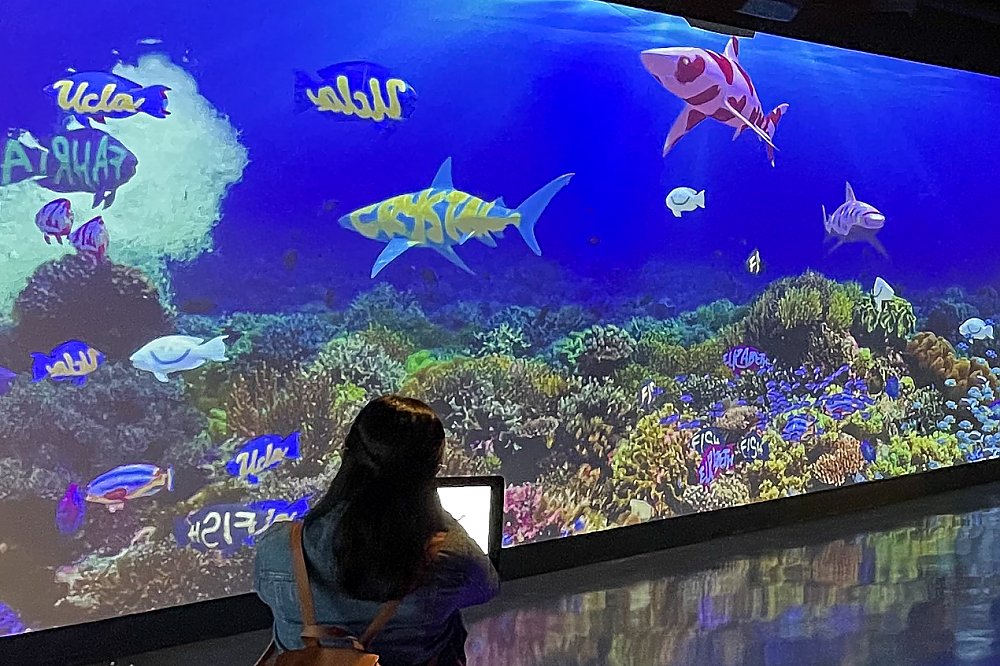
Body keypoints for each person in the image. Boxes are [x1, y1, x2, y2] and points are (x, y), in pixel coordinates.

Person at [254, 395, 499, 665]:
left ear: (347, 451)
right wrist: (435, 512)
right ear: (431, 470)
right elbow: (486, 588)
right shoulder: (453, 557)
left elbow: (264, 592)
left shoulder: (279, 545)